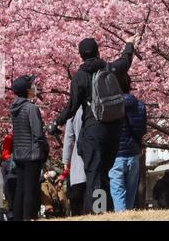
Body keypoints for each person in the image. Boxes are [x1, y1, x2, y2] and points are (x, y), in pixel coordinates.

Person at [47, 35, 139, 214]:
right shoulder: (110, 68)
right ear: (98, 52)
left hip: (93, 130)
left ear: (80, 56)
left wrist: (56, 123)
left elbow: (72, 107)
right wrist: (129, 44)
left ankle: (97, 213)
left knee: (94, 174)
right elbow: (125, 60)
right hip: (114, 128)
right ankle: (106, 211)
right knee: (105, 172)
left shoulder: (79, 77)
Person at [10, 75, 49, 221]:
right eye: (31, 86)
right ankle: (28, 218)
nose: (33, 88)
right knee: (30, 189)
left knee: (20, 188)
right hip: (32, 154)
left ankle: (18, 217)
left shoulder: (14, 108)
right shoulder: (30, 108)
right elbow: (38, 132)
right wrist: (44, 147)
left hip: (19, 154)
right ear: (27, 90)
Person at [109, 75, 146, 212]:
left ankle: (122, 216)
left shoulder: (111, 105)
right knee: (131, 191)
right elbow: (142, 129)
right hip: (133, 153)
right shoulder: (140, 105)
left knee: (118, 190)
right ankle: (128, 215)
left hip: (116, 154)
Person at [62, 107, 86, 216]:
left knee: (77, 198)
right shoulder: (99, 105)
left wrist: (66, 160)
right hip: (98, 156)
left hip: (79, 158)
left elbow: (68, 137)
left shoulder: (74, 110)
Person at [0, 133, 16, 221]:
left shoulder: (10, 137)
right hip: (12, 163)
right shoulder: (10, 137)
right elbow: (5, 155)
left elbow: (4, 155)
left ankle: (11, 212)